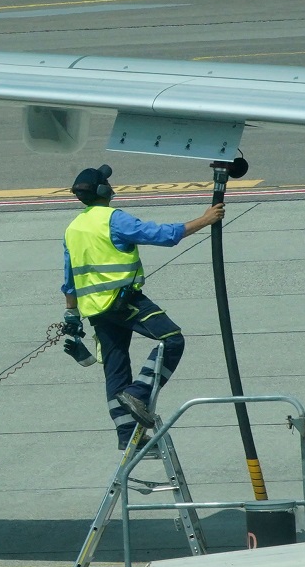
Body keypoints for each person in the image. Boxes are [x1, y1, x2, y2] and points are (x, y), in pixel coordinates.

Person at [61, 164, 223, 448]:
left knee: (116, 369)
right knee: (172, 340)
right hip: (122, 301)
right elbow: (163, 236)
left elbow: (69, 279)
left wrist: (71, 314)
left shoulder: (73, 229)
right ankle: (139, 392)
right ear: (103, 190)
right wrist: (205, 219)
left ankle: (127, 437)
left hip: (95, 311)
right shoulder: (113, 219)